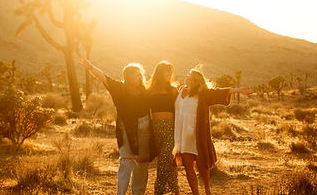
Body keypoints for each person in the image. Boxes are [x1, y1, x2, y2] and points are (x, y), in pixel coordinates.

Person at [80, 55, 156, 195]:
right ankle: (120, 193)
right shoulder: (119, 88)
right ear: (128, 77)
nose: (139, 78)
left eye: (140, 75)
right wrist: (90, 66)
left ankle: (138, 193)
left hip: (144, 128)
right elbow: (103, 77)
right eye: (136, 75)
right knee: (126, 162)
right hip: (125, 129)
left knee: (142, 165)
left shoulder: (145, 92)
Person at [174, 68, 252, 195]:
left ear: (195, 80)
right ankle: (195, 193)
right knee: (188, 165)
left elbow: (218, 92)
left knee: (202, 164)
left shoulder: (202, 93)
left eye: (190, 76)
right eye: (187, 75)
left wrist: (238, 90)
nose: (187, 76)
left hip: (197, 133)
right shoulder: (181, 90)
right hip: (182, 134)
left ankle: (207, 189)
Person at [147, 61, 181, 195]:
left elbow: (179, 110)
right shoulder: (149, 90)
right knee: (169, 163)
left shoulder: (173, 90)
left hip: (170, 128)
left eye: (170, 72)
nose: (170, 75)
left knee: (163, 162)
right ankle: (176, 191)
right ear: (160, 73)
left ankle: (158, 191)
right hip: (155, 129)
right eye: (167, 72)